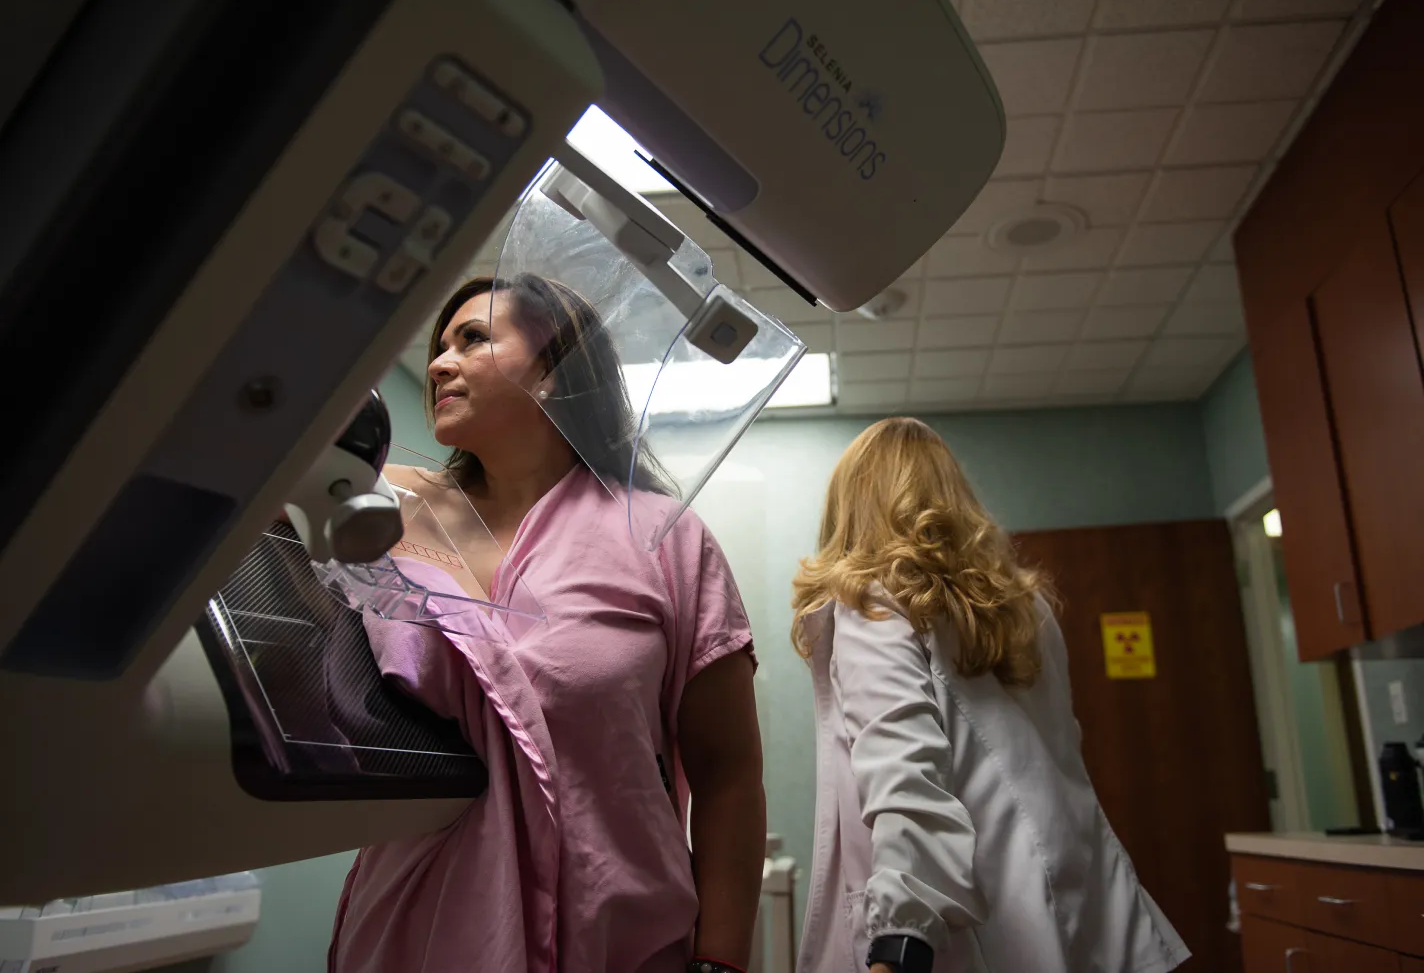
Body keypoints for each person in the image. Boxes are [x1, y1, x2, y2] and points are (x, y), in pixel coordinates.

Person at [328, 274, 766, 973]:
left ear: (555, 373)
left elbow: (729, 774)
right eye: (440, 345)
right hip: (416, 935)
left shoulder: (663, 539)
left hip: (616, 937)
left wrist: (723, 960)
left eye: (471, 339)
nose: (439, 362)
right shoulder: (378, 518)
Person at [790, 417, 1189, 973]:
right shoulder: (1029, 613)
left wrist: (898, 943)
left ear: (849, 509)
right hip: (1093, 912)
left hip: (990, 935)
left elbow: (908, 783)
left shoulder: (875, 605)